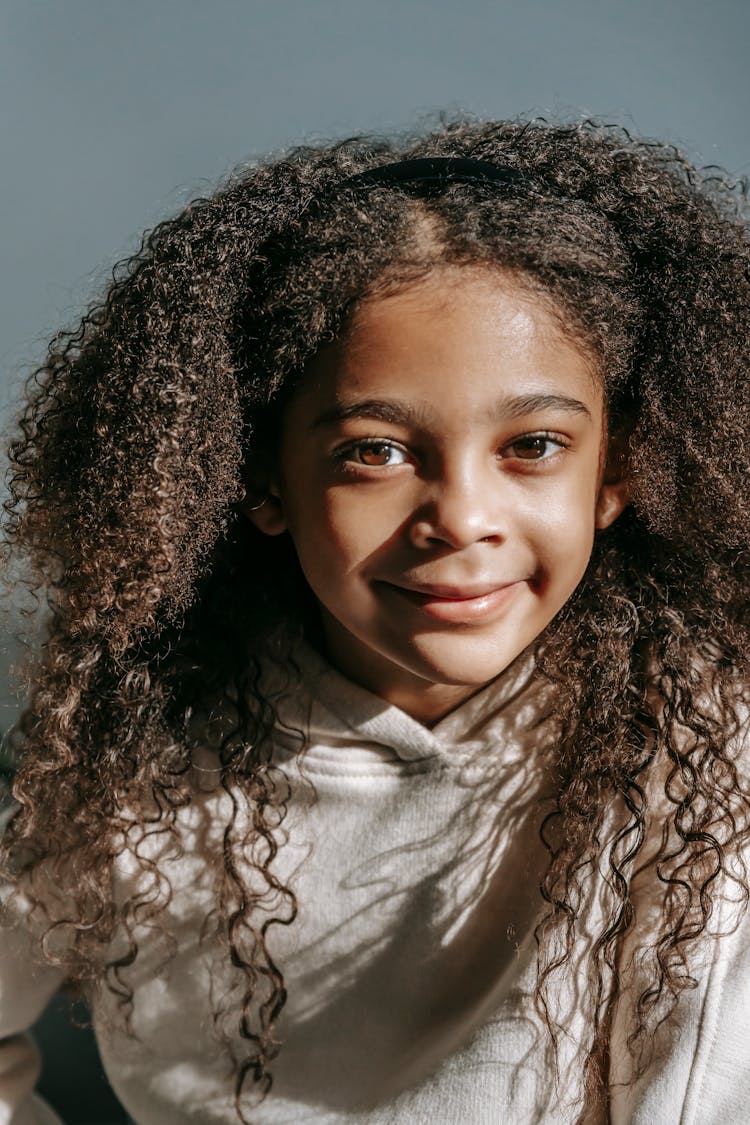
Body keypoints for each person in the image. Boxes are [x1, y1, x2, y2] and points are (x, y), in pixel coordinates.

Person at [0, 117, 748, 1125]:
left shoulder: (707, 752)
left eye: (532, 444)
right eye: (376, 452)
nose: (463, 521)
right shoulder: (127, 760)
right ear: (260, 478)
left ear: (617, 472)